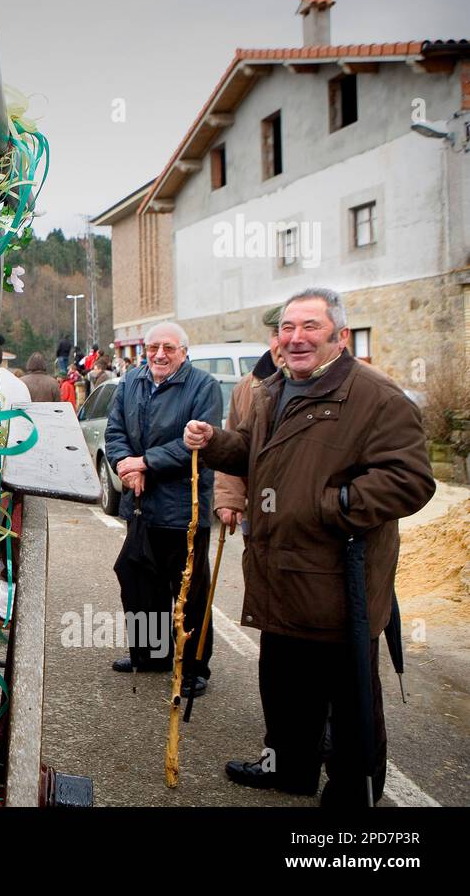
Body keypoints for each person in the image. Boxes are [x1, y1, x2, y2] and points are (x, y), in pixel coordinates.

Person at [184, 288, 435, 805]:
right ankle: (287, 770)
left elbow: (412, 481)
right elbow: (251, 452)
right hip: (279, 578)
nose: (296, 338)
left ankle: (351, 797)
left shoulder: (375, 396)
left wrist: (328, 503)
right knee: (285, 696)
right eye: (288, 328)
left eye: (310, 327)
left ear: (339, 337)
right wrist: (213, 442)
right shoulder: (272, 389)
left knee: (351, 710)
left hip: (339, 588)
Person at [104, 322, 222, 697]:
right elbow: (114, 430)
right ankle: (151, 653)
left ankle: (193, 667)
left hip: (183, 512)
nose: (159, 354)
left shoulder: (203, 387)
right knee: (140, 584)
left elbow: (195, 447)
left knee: (189, 592)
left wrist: (145, 463)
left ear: (184, 352)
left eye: (169, 348)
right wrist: (124, 463)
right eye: (153, 347)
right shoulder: (131, 382)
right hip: (140, 507)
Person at [213, 305, 283, 533]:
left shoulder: (354, 385)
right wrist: (229, 499)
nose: (284, 342)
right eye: (277, 333)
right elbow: (235, 444)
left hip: (313, 520)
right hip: (258, 510)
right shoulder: (247, 387)